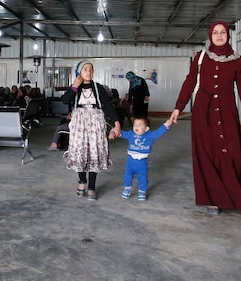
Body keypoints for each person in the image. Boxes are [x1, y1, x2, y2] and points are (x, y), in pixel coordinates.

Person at [170, 20, 241, 214]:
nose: (219, 36)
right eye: (215, 32)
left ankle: (232, 195)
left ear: (228, 35)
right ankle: (212, 199)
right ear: (210, 36)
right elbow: (190, 82)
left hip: (227, 110)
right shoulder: (201, 57)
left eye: (223, 32)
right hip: (204, 109)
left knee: (230, 151)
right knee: (207, 152)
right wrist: (178, 107)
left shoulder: (236, 59)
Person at [61, 61, 121, 201]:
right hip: (79, 124)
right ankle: (82, 181)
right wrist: (75, 85)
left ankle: (92, 187)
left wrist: (116, 124)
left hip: (95, 123)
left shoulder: (98, 88)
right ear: (79, 72)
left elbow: (108, 107)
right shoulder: (75, 87)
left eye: (91, 69)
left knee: (94, 152)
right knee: (80, 152)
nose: (89, 72)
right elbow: (64, 100)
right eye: (85, 69)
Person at [119, 116, 172, 201]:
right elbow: (120, 133)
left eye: (140, 125)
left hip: (142, 163)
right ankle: (127, 189)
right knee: (127, 176)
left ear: (146, 128)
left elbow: (158, 133)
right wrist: (114, 132)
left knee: (142, 178)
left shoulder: (150, 135)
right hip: (130, 162)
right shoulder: (130, 134)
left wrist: (166, 125)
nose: (136, 127)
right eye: (135, 125)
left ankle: (142, 191)